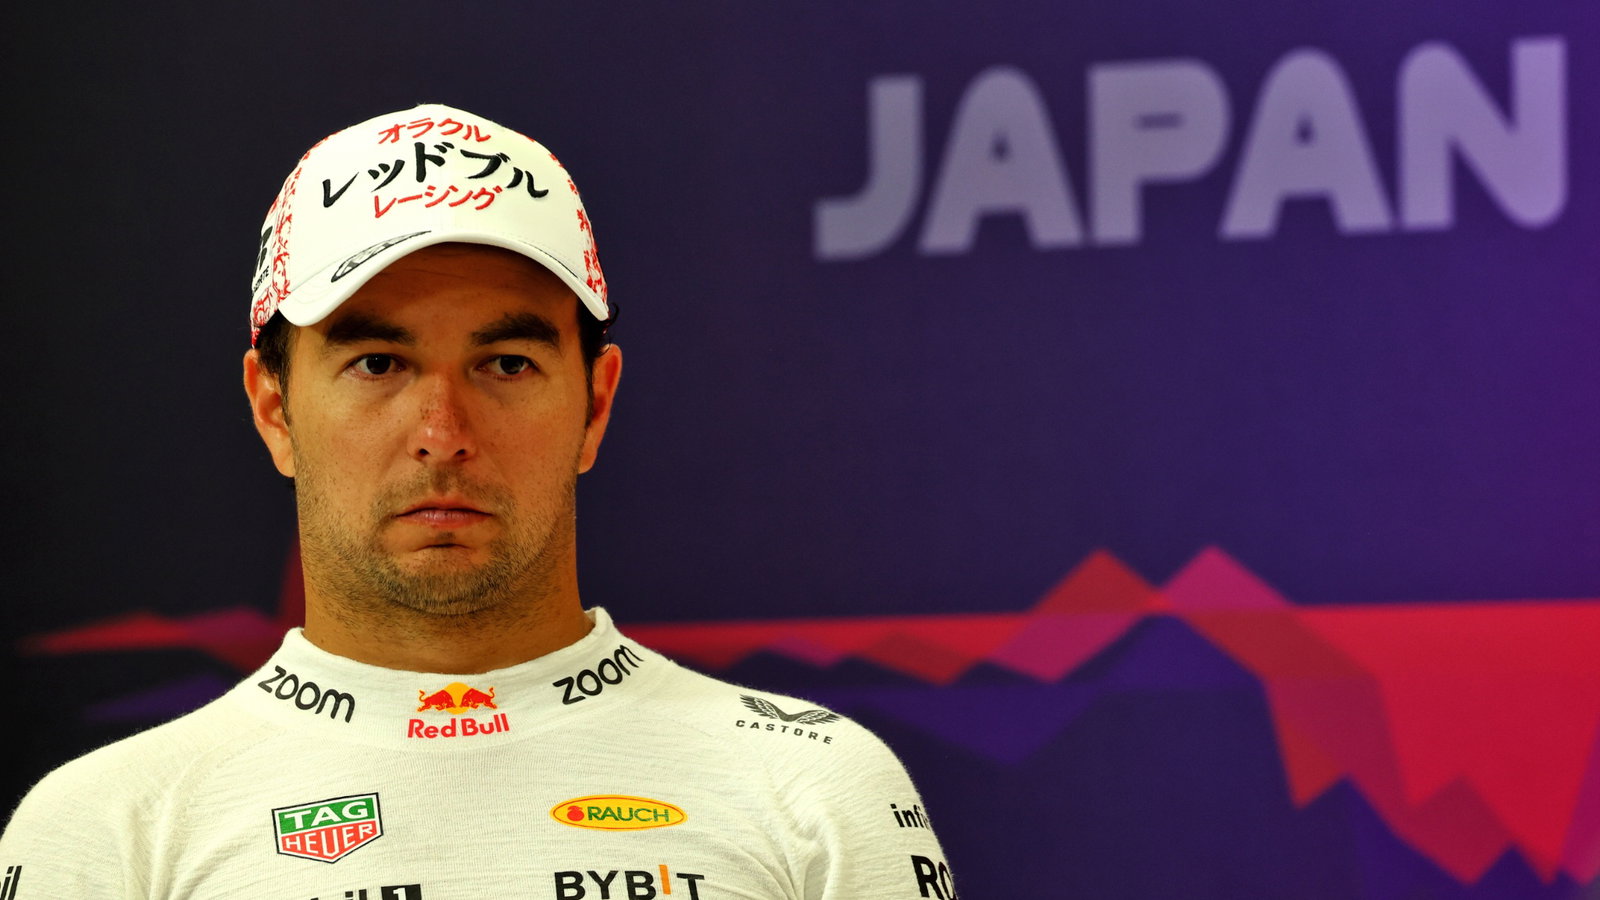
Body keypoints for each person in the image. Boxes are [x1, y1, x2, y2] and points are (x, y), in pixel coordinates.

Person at [0, 104, 956, 899]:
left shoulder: (815, 788)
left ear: (596, 403)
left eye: (505, 362)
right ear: (274, 408)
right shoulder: (106, 831)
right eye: (378, 363)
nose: (442, 430)